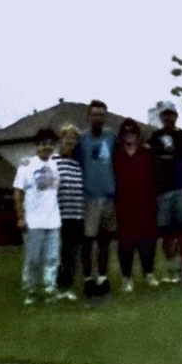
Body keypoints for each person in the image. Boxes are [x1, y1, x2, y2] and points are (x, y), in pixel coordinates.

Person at [148, 101, 182, 283]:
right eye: (165, 115)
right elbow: (151, 166)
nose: (168, 117)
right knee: (166, 232)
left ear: (176, 116)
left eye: (171, 114)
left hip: (181, 189)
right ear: (161, 117)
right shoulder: (154, 138)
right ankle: (170, 268)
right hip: (162, 192)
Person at [13, 127, 62, 305]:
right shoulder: (26, 166)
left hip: (53, 220)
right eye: (44, 144)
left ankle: (50, 289)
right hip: (33, 222)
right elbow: (18, 193)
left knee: (52, 258)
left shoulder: (55, 163)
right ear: (37, 145)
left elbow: (57, 187)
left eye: (51, 144)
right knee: (33, 259)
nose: (47, 148)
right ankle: (30, 291)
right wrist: (20, 217)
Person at [75, 100, 118, 298]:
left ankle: (102, 277)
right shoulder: (81, 140)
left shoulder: (111, 138)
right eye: (94, 114)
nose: (98, 118)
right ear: (88, 117)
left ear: (105, 117)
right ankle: (87, 279)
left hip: (108, 196)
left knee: (104, 242)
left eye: (101, 114)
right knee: (87, 241)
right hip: (88, 197)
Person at [113, 118, 159, 293]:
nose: (129, 136)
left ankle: (149, 273)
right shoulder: (117, 156)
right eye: (126, 133)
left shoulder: (147, 154)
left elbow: (156, 177)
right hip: (124, 205)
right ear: (122, 136)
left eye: (133, 133)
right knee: (126, 243)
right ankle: (127, 278)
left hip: (146, 204)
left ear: (138, 136)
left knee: (147, 240)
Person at [52, 123, 84, 301]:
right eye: (67, 139)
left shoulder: (78, 164)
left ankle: (68, 286)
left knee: (72, 254)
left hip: (76, 215)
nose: (70, 142)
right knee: (58, 253)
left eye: (73, 139)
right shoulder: (53, 162)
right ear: (61, 140)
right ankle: (55, 286)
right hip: (58, 216)